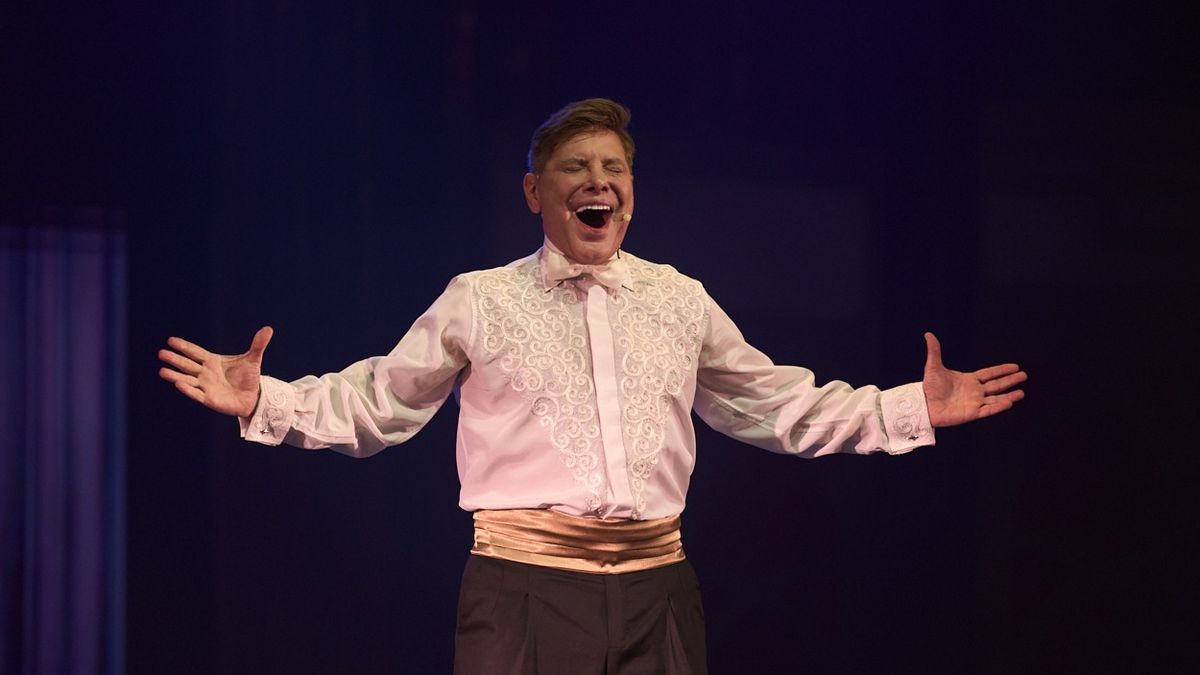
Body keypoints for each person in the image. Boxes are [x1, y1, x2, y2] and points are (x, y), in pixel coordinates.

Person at [158, 98, 1026, 674]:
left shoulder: (678, 298)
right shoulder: (481, 298)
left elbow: (779, 404)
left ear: (632, 194)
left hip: (659, 588)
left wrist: (910, 407)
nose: (598, 181)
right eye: (576, 167)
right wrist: (267, 399)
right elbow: (381, 400)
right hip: (524, 589)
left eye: (614, 167)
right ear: (536, 191)